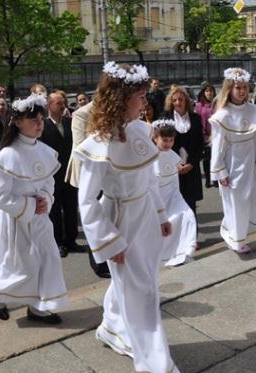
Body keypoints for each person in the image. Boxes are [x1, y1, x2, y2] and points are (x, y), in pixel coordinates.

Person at [74, 61, 178, 373]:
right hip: (120, 220)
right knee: (141, 291)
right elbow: (87, 200)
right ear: (120, 98)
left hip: (145, 213)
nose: (145, 101)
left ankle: (112, 326)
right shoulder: (98, 144)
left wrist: (160, 213)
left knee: (140, 283)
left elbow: (149, 178)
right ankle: (156, 363)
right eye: (140, 96)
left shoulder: (141, 131)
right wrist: (108, 240)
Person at [0, 93, 67, 324]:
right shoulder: (8, 155)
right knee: (22, 265)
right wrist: (29, 204)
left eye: (41, 118)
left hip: (40, 217)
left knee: (48, 259)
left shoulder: (43, 150)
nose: (39, 123)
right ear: (18, 122)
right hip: (16, 218)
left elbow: (49, 181)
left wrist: (45, 200)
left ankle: (39, 308)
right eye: (33, 119)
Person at [209, 67, 256, 254]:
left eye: (244, 88)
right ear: (229, 89)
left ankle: (232, 232)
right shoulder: (222, 115)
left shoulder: (254, 111)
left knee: (247, 200)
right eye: (237, 88)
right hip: (232, 162)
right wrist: (220, 171)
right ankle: (237, 240)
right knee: (235, 201)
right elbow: (217, 146)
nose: (241, 91)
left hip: (249, 162)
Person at [65, 99, 110, 279]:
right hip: (89, 169)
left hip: (107, 171)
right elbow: (79, 144)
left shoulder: (112, 109)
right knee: (92, 213)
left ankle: (106, 256)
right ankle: (98, 261)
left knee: (106, 214)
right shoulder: (82, 114)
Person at [40, 90, 84, 258]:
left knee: (71, 207)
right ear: (49, 106)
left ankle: (71, 240)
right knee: (55, 210)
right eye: (58, 103)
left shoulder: (70, 122)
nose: (63, 105)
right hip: (52, 175)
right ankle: (58, 242)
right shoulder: (43, 125)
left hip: (70, 172)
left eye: (63, 102)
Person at [152, 119, 198, 266]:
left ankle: (188, 245)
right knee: (164, 225)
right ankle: (164, 254)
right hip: (156, 198)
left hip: (172, 194)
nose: (168, 143)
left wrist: (178, 197)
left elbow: (176, 173)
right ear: (155, 138)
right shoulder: (149, 157)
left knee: (187, 215)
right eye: (164, 140)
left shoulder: (172, 155)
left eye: (171, 140)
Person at [162, 85, 204, 214]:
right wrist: (175, 165)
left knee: (190, 207)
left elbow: (199, 145)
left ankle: (192, 233)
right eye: (174, 100)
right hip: (172, 170)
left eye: (180, 99)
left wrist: (191, 163)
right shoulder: (165, 119)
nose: (178, 103)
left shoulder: (195, 119)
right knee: (173, 208)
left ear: (186, 101)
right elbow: (161, 146)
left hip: (191, 168)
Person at [195, 83, 217, 188]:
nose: (209, 93)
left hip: (216, 135)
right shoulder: (199, 105)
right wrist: (203, 134)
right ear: (204, 92)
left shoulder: (217, 104)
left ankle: (216, 179)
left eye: (211, 91)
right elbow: (198, 120)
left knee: (216, 157)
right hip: (205, 136)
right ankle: (208, 179)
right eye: (207, 91)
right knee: (207, 159)